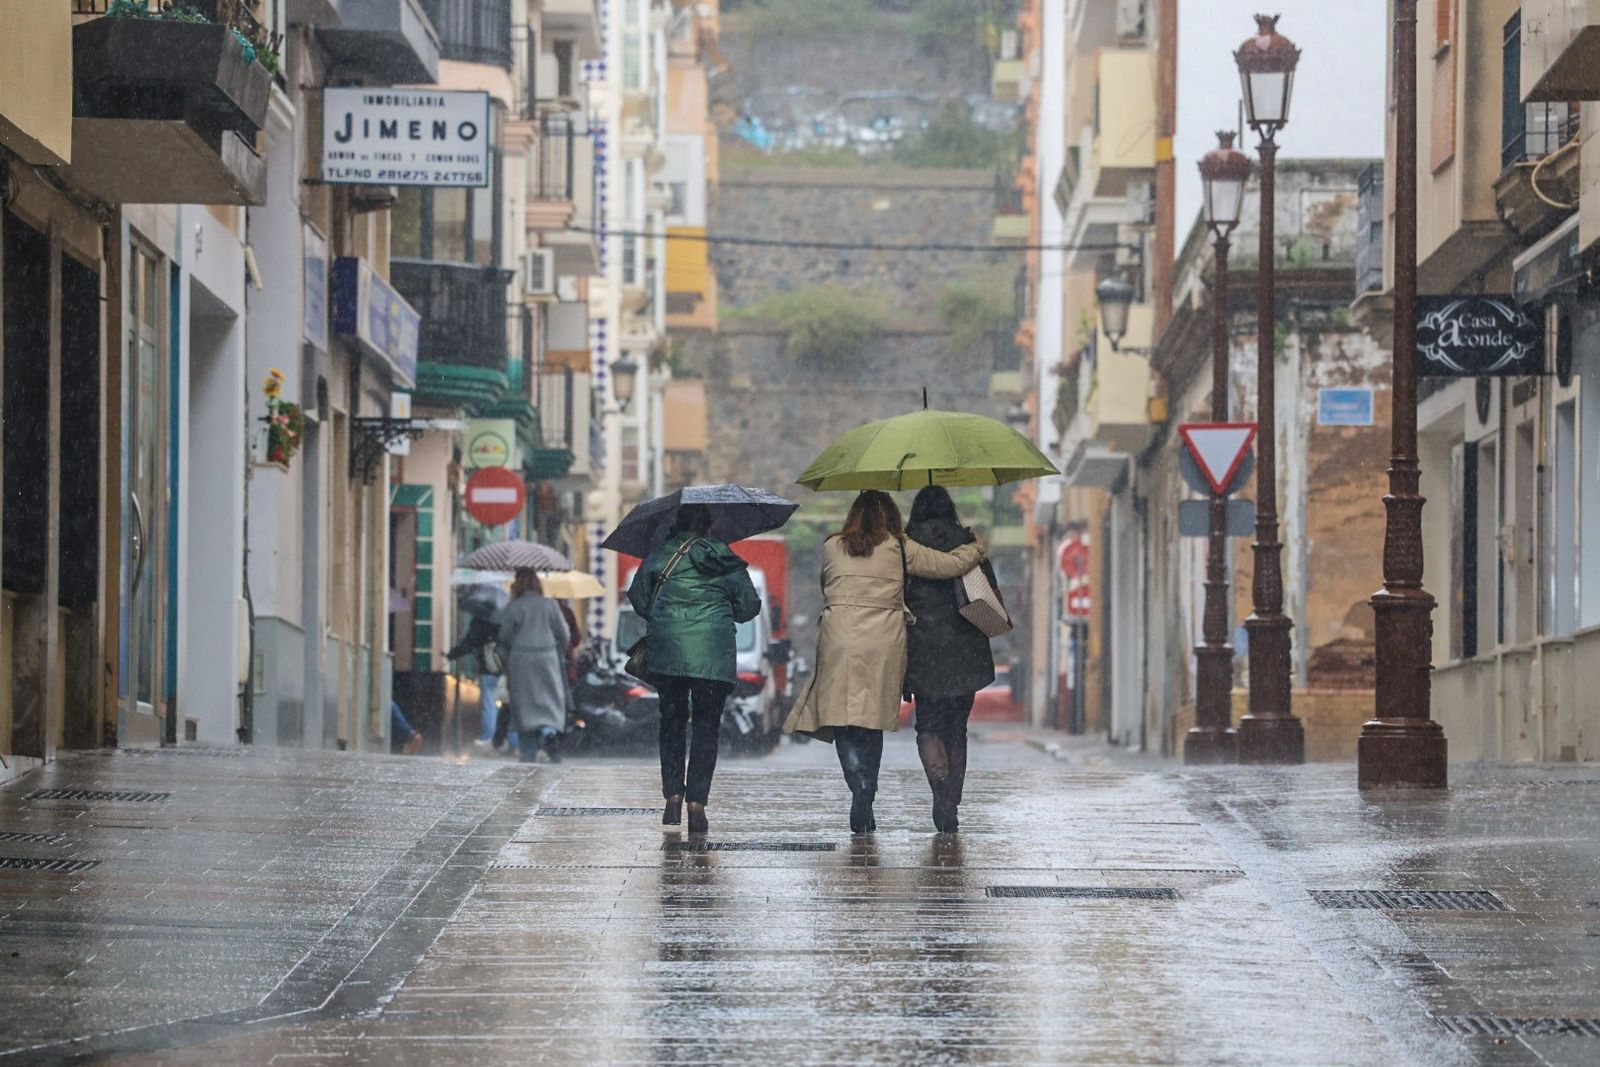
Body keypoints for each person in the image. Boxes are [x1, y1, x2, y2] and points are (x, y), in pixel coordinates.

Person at [784, 489, 985, 834]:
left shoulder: (832, 546)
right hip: (883, 639)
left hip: (839, 637)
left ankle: (859, 786)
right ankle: (870, 786)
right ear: (890, 515)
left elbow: (825, 586)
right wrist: (977, 547)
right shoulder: (899, 546)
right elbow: (948, 566)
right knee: (871, 719)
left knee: (843, 720)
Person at [626, 503, 761, 834]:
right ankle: (697, 802)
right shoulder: (725, 559)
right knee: (706, 726)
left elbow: (639, 598)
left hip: (668, 653)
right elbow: (749, 607)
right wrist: (720, 610)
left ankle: (673, 795)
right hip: (712, 656)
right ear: (709, 526)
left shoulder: (660, 555)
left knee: (671, 723)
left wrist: (668, 617)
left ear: (677, 525)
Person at [904, 485, 998, 833]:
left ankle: (939, 788)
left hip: (924, 650)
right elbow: (989, 593)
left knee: (928, 726)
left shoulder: (905, 547)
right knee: (957, 729)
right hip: (966, 649)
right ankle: (951, 802)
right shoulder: (970, 544)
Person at [497, 569, 570, 763]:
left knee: (524, 705)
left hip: (521, 660)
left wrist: (507, 658)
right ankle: (548, 732)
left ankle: (527, 752)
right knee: (550, 701)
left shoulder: (514, 607)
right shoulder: (551, 605)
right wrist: (558, 653)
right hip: (547, 657)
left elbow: (503, 636)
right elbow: (564, 634)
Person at [446, 592, 506, 751]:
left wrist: (452, 655)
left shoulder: (480, 622)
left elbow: (469, 642)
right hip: (503, 669)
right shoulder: (502, 621)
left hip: (488, 668)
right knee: (505, 703)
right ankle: (508, 741)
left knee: (489, 702)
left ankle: (488, 737)